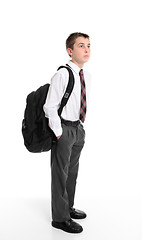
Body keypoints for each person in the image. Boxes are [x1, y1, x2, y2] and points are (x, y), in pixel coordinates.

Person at [43, 32, 91, 234]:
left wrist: (78, 127)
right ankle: (60, 219)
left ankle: (68, 207)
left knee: (72, 173)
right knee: (60, 175)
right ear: (70, 51)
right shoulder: (63, 74)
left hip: (77, 128)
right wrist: (59, 131)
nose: (86, 49)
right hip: (64, 129)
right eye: (81, 46)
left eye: (88, 45)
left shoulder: (84, 74)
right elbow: (49, 106)